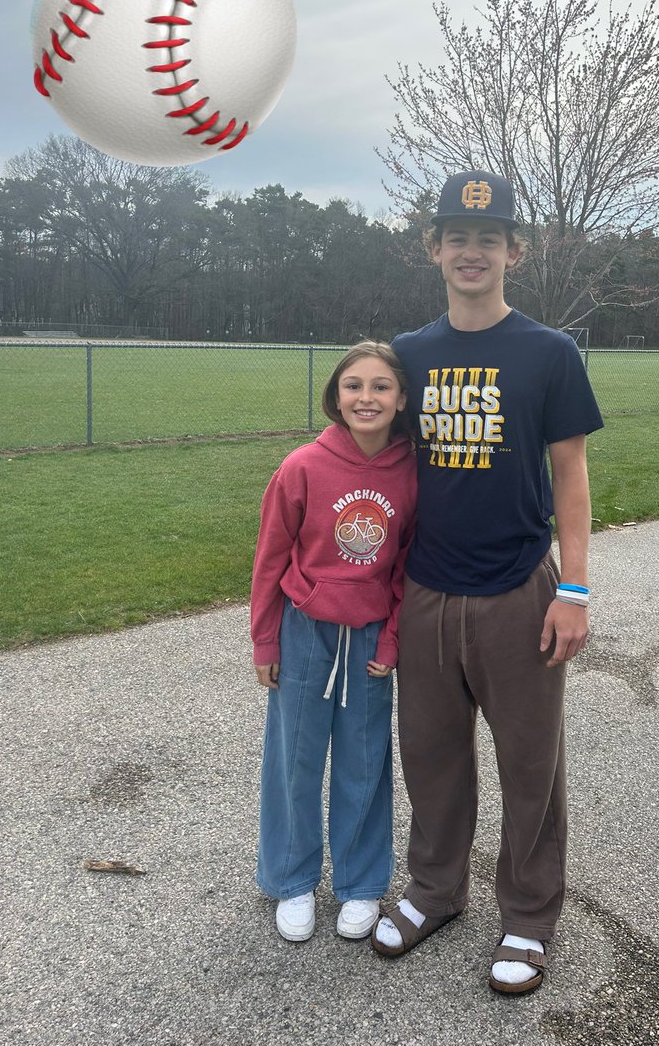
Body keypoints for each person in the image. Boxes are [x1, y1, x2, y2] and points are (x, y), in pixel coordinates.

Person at [371, 171, 604, 994]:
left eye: (490, 237)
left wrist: (574, 589)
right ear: (433, 249)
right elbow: (376, 464)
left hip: (518, 587)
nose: (473, 251)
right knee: (430, 758)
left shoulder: (549, 353)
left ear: (515, 249)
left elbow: (570, 474)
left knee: (530, 764)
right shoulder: (409, 355)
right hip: (428, 590)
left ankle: (530, 915)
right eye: (457, 237)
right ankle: (436, 891)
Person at [251, 341, 416, 944]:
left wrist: (393, 639)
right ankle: (292, 880)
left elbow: (405, 567)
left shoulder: (411, 472)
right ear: (336, 395)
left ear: (401, 399)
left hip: (370, 636)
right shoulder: (302, 467)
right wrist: (265, 641)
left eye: (380, 386)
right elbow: (270, 559)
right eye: (353, 386)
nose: (365, 398)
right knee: (294, 759)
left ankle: (361, 882)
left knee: (364, 762)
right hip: (305, 632)